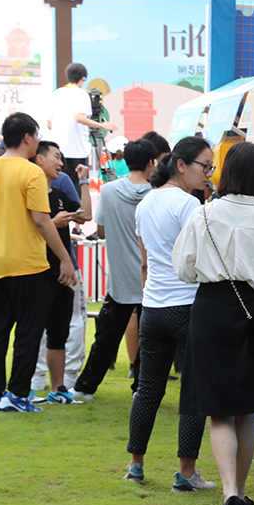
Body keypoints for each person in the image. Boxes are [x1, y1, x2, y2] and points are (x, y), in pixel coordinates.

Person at [174, 142, 254, 505]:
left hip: (210, 309)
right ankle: (239, 488)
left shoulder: (203, 214)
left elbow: (183, 268)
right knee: (248, 408)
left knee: (220, 411)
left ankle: (228, 492)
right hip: (252, 308)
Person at [0, 112, 77, 413]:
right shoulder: (31, 173)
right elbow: (42, 221)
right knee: (28, 333)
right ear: (28, 137)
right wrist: (65, 259)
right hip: (29, 265)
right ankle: (17, 394)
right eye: (38, 136)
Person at [127, 135, 214, 489]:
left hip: (153, 305)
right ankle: (187, 472)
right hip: (187, 304)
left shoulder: (146, 203)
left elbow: (145, 257)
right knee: (192, 390)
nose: (209, 172)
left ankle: (136, 464)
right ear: (181, 165)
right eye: (204, 166)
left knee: (148, 389)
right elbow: (203, 258)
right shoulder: (189, 206)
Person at [75, 138, 155, 399]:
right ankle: (140, 389)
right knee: (150, 341)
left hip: (119, 279)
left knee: (106, 339)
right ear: (150, 163)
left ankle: (85, 388)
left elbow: (100, 230)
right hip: (151, 279)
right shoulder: (156, 194)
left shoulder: (109, 191)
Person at [28, 140, 86, 404]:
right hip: (38, 270)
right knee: (31, 330)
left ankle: (58, 388)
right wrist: (51, 223)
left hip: (64, 272)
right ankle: (23, 386)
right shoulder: (30, 194)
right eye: (56, 157)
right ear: (39, 159)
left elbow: (85, 215)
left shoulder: (59, 192)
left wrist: (83, 181)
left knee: (58, 333)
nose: (61, 162)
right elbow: (27, 233)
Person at [48, 62, 116, 182]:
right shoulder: (81, 94)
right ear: (83, 78)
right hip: (77, 151)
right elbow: (79, 118)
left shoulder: (55, 93)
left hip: (58, 152)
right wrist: (102, 125)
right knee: (78, 190)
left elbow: (49, 125)